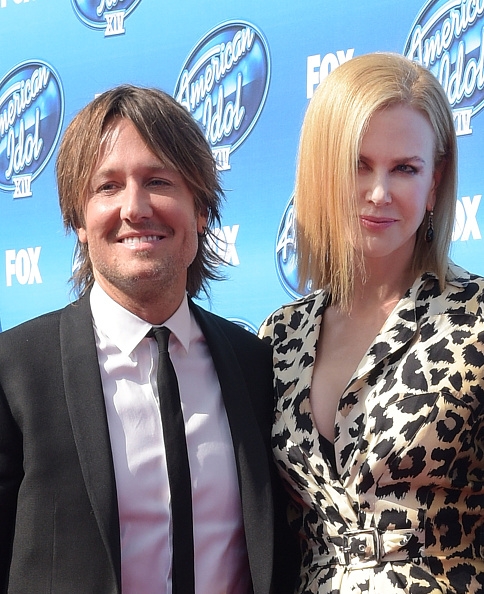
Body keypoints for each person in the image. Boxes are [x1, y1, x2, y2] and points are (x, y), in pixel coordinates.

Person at [0, 85, 296, 594]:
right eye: (108, 186)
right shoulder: (14, 372)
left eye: (158, 181)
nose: (135, 208)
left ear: (200, 210)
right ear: (77, 219)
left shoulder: (256, 366)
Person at [259, 53, 484, 593]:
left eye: (405, 168)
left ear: (434, 183)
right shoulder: (279, 336)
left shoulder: (476, 318)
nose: (379, 192)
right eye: (358, 165)